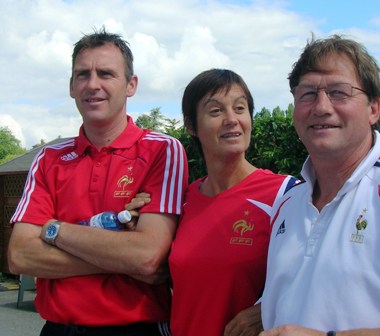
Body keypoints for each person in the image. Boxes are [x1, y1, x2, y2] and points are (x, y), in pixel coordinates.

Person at [260, 34, 380, 335]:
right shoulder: (287, 203)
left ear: (374, 108)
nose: (321, 107)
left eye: (339, 92)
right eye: (307, 93)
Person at [7, 27, 188, 336]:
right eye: (82, 74)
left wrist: (54, 229)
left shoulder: (162, 150)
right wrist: (123, 257)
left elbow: (147, 256)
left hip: (134, 329)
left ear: (131, 85)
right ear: (71, 86)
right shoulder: (48, 158)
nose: (92, 84)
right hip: (57, 329)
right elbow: (19, 255)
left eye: (106, 73)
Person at [166, 69, 297, 336]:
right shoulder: (183, 200)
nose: (231, 120)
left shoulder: (287, 194)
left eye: (240, 108)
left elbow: (318, 275)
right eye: (215, 111)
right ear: (191, 126)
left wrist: (266, 309)